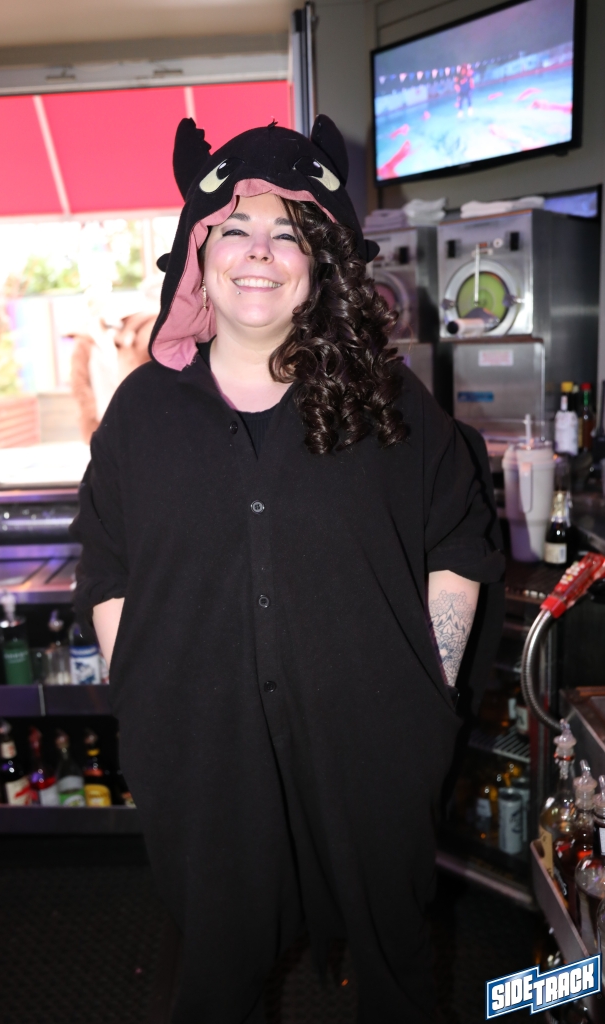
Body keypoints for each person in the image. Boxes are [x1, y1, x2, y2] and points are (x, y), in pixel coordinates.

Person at [72, 116, 504, 1024]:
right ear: (198, 254)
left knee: (393, 967)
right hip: (204, 754)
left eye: (288, 232)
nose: (260, 252)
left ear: (321, 258)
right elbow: (106, 560)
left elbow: (459, 534)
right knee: (215, 974)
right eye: (235, 228)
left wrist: (425, 685)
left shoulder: (385, 398)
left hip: (371, 748)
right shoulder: (142, 412)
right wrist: (146, 689)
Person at [70, 308, 156, 442]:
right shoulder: (84, 342)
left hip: (123, 415)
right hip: (99, 417)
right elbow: (78, 383)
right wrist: (91, 412)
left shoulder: (122, 341)